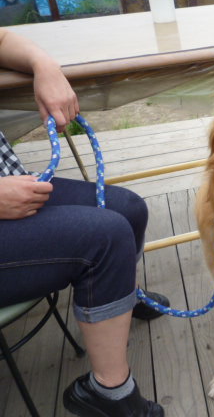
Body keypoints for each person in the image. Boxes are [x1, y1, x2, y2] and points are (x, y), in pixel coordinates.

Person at [0, 29, 168, 417]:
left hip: (10, 182)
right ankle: (110, 393)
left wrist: (44, 66)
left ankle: (122, 295)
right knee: (106, 238)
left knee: (128, 209)